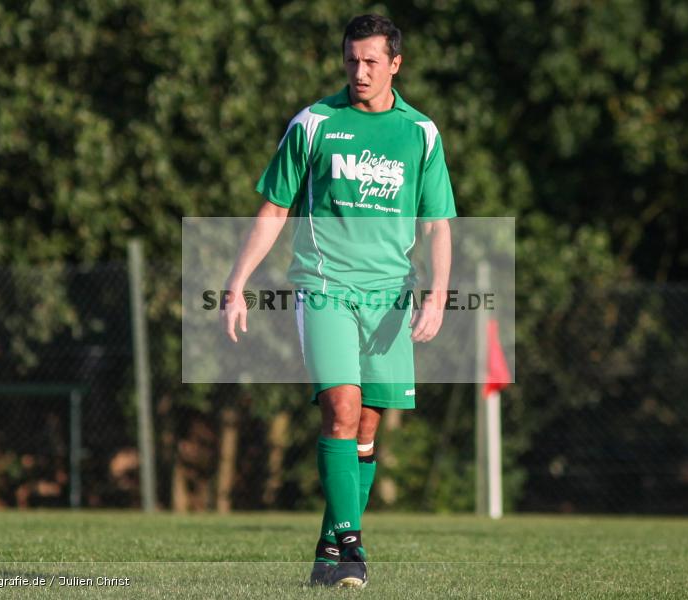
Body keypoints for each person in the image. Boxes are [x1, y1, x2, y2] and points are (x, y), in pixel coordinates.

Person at [221, 13, 456, 589]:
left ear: (395, 64)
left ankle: (329, 553)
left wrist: (438, 294)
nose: (360, 71)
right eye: (352, 59)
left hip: (391, 298)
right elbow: (275, 207)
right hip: (324, 287)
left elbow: (438, 224)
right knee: (343, 409)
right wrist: (237, 281)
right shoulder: (315, 123)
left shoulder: (420, 133)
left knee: (369, 426)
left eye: (372, 61)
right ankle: (352, 547)